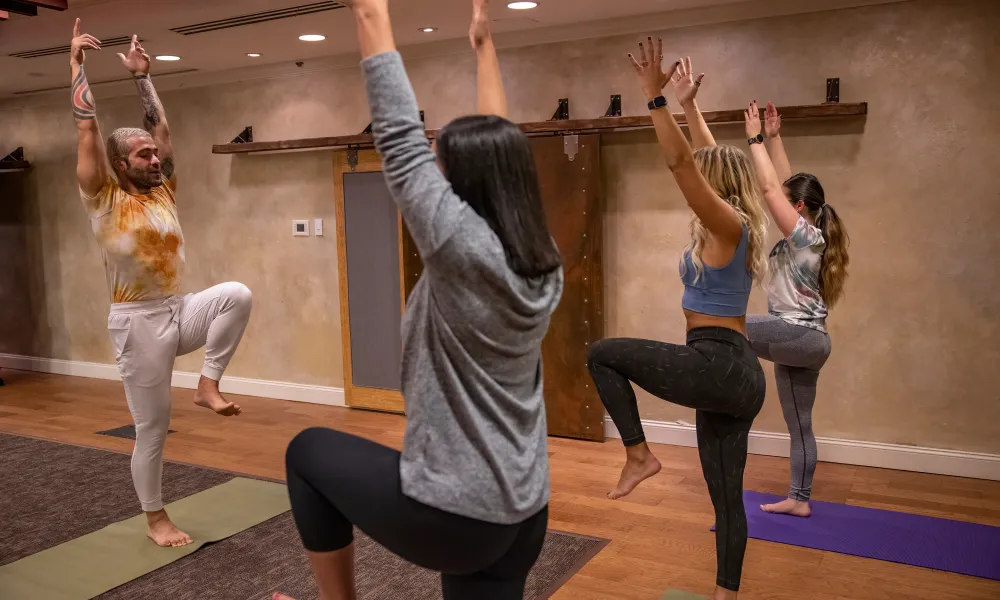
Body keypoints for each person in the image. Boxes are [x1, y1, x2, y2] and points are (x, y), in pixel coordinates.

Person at [274, 0, 563, 598]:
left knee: (307, 452)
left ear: (462, 183)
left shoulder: (459, 248)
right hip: (523, 510)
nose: (433, 172)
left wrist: (371, 16)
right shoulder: (539, 257)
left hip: (458, 516)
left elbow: (399, 136)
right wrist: (485, 48)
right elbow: (501, 148)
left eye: (442, 165)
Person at [587, 47, 768, 600]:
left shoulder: (725, 224)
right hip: (736, 374)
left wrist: (655, 98)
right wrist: (691, 108)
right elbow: (706, 160)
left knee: (601, 352)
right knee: (726, 498)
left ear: (719, 187)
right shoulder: (736, 223)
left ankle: (639, 454)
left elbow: (684, 165)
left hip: (718, 362)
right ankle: (725, 594)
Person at [70, 20, 252, 547]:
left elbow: (163, 126)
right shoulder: (104, 199)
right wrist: (77, 65)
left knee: (236, 295)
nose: (156, 158)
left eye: (155, 152)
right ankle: (155, 518)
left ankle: (208, 384)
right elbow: (87, 130)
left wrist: (142, 79)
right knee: (151, 430)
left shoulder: (163, 191)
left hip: (178, 309)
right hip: (137, 323)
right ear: (120, 164)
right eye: (144, 155)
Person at [743, 101, 850, 517]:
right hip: (811, 343)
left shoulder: (805, 236)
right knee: (799, 425)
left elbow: (773, 190)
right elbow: (786, 184)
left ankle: (720, 400)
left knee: (722, 325)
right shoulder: (810, 235)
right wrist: (773, 137)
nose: (782, 208)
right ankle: (799, 501)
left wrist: (753, 139)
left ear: (798, 210)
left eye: (791, 204)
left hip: (796, 334)